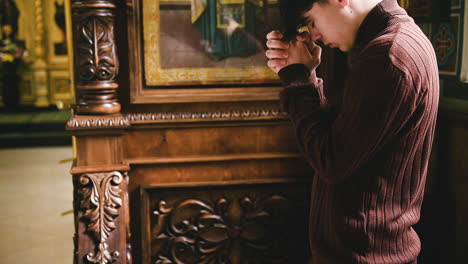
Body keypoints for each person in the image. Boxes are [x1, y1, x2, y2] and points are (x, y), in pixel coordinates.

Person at [265, 0, 439, 263]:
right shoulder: (393, 44)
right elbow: (338, 142)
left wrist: (298, 79)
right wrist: (306, 75)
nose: (313, 35)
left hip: (365, 255)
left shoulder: (388, 55)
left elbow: (330, 161)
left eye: (312, 20)